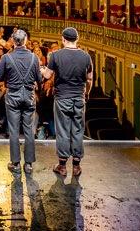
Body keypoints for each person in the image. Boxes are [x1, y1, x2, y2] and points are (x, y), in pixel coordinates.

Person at [41, 27, 93, 177]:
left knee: (63, 130)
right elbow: (89, 79)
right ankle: (76, 166)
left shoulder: (56, 56)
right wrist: (86, 94)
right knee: (77, 130)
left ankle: (62, 166)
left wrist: (43, 70)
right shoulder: (86, 56)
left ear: (63, 39)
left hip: (62, 98)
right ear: (77, 39)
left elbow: (47, 75)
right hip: (79, 98)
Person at [0, 29, 43, 175]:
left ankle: (15, 163)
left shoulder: (6, 58)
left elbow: (0, 77)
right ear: (26, 40)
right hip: (28, 96)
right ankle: (28, 164)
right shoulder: (34, 58)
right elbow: (39, 80)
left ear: (13, 41)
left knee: (14, 130)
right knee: (29, 130)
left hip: (13, 96)